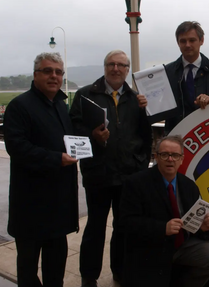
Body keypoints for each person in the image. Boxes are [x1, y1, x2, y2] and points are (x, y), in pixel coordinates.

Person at [69, 50, 153, 286]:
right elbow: (72, 130)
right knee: (95, 227)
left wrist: (140, 164)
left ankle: (120, 270)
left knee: (123, 227)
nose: (116, 69)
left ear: (127, 70)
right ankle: (88, 276)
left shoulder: (136, 99)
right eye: (111, 64)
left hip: (129, 175)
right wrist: (92, 135)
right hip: (98, 172)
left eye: (121, 65)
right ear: (104, 67)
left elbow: (146, 136)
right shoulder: (86, 95)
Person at [3, 52, 79, 287]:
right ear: (35, 75)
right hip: (31, 205)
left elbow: (69, 140)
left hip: (59, 204)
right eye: (48, 71)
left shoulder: (60, 105)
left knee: (56, 268)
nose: (54, 76)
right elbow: (17, 148)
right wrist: (57, 159)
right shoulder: (19, 106)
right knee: (27, 269)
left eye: (58, 72)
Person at [120, 135, 209, 286]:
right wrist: (162, 228)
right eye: (164, 155)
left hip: (183, 244)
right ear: (156, 157)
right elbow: (126, 222)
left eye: (175, 155)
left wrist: (202, 227)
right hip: (152, 245)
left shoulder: (189, 186)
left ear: (181, 159)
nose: (170, 159)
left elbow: (193, 227)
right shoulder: (135, 183)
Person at [164, 21, 209, 134]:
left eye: (192, 40)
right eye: (183, 41)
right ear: (178, 43)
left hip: (208, 137)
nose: (187, 45)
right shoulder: (167, 72)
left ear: (201, 41)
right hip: (176, 138)